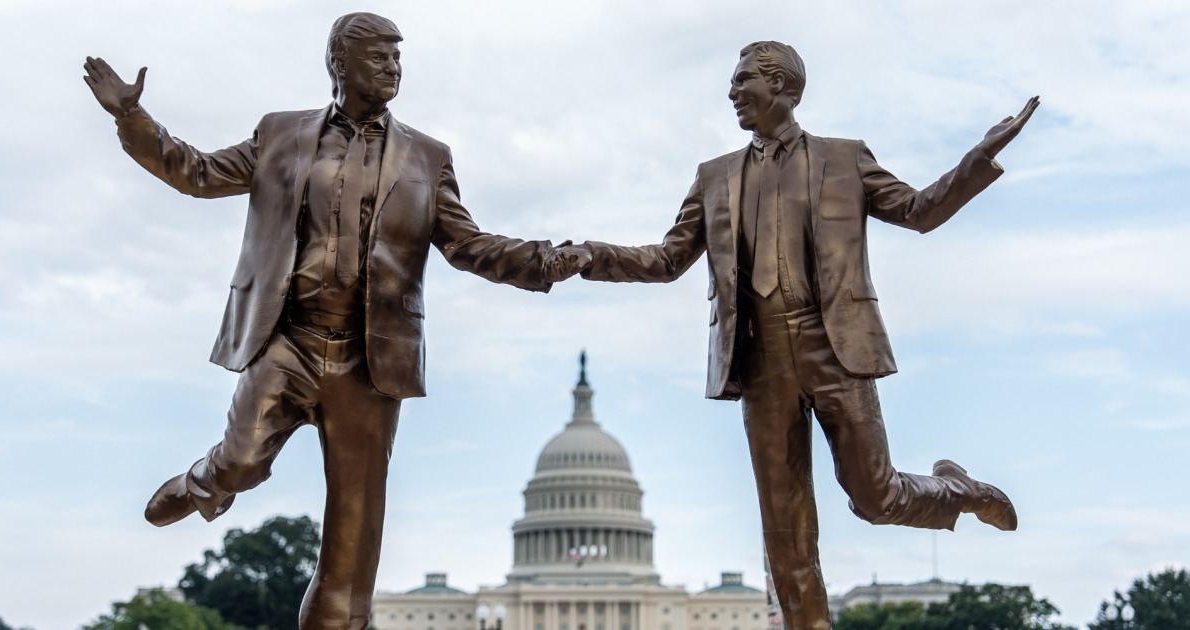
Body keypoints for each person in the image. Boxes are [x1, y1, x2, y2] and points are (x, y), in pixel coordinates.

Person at [84, 13, 558, 629]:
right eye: (381, 55)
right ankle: (207, 480)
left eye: (398, 57)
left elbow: (470, 246)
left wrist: (547, 259)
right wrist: (132, 117)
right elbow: (196, 173)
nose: (394, 66)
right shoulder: (281, 134)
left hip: (369, 364)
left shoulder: (427, 157)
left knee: (350, 558)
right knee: (243, 462)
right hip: (288, 341)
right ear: (340, 60)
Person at [545, 41, 1039, 630]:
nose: (731, 93)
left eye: (743, 81)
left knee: (874, 497)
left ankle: (958, 491)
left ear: (783, 87)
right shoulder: (714, 177)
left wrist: (976, 159)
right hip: (760, 360)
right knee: (785, 529)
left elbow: (919, 210)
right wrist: (588, 255)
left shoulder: (846, 159)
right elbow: (667, 259)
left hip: (834, 346)